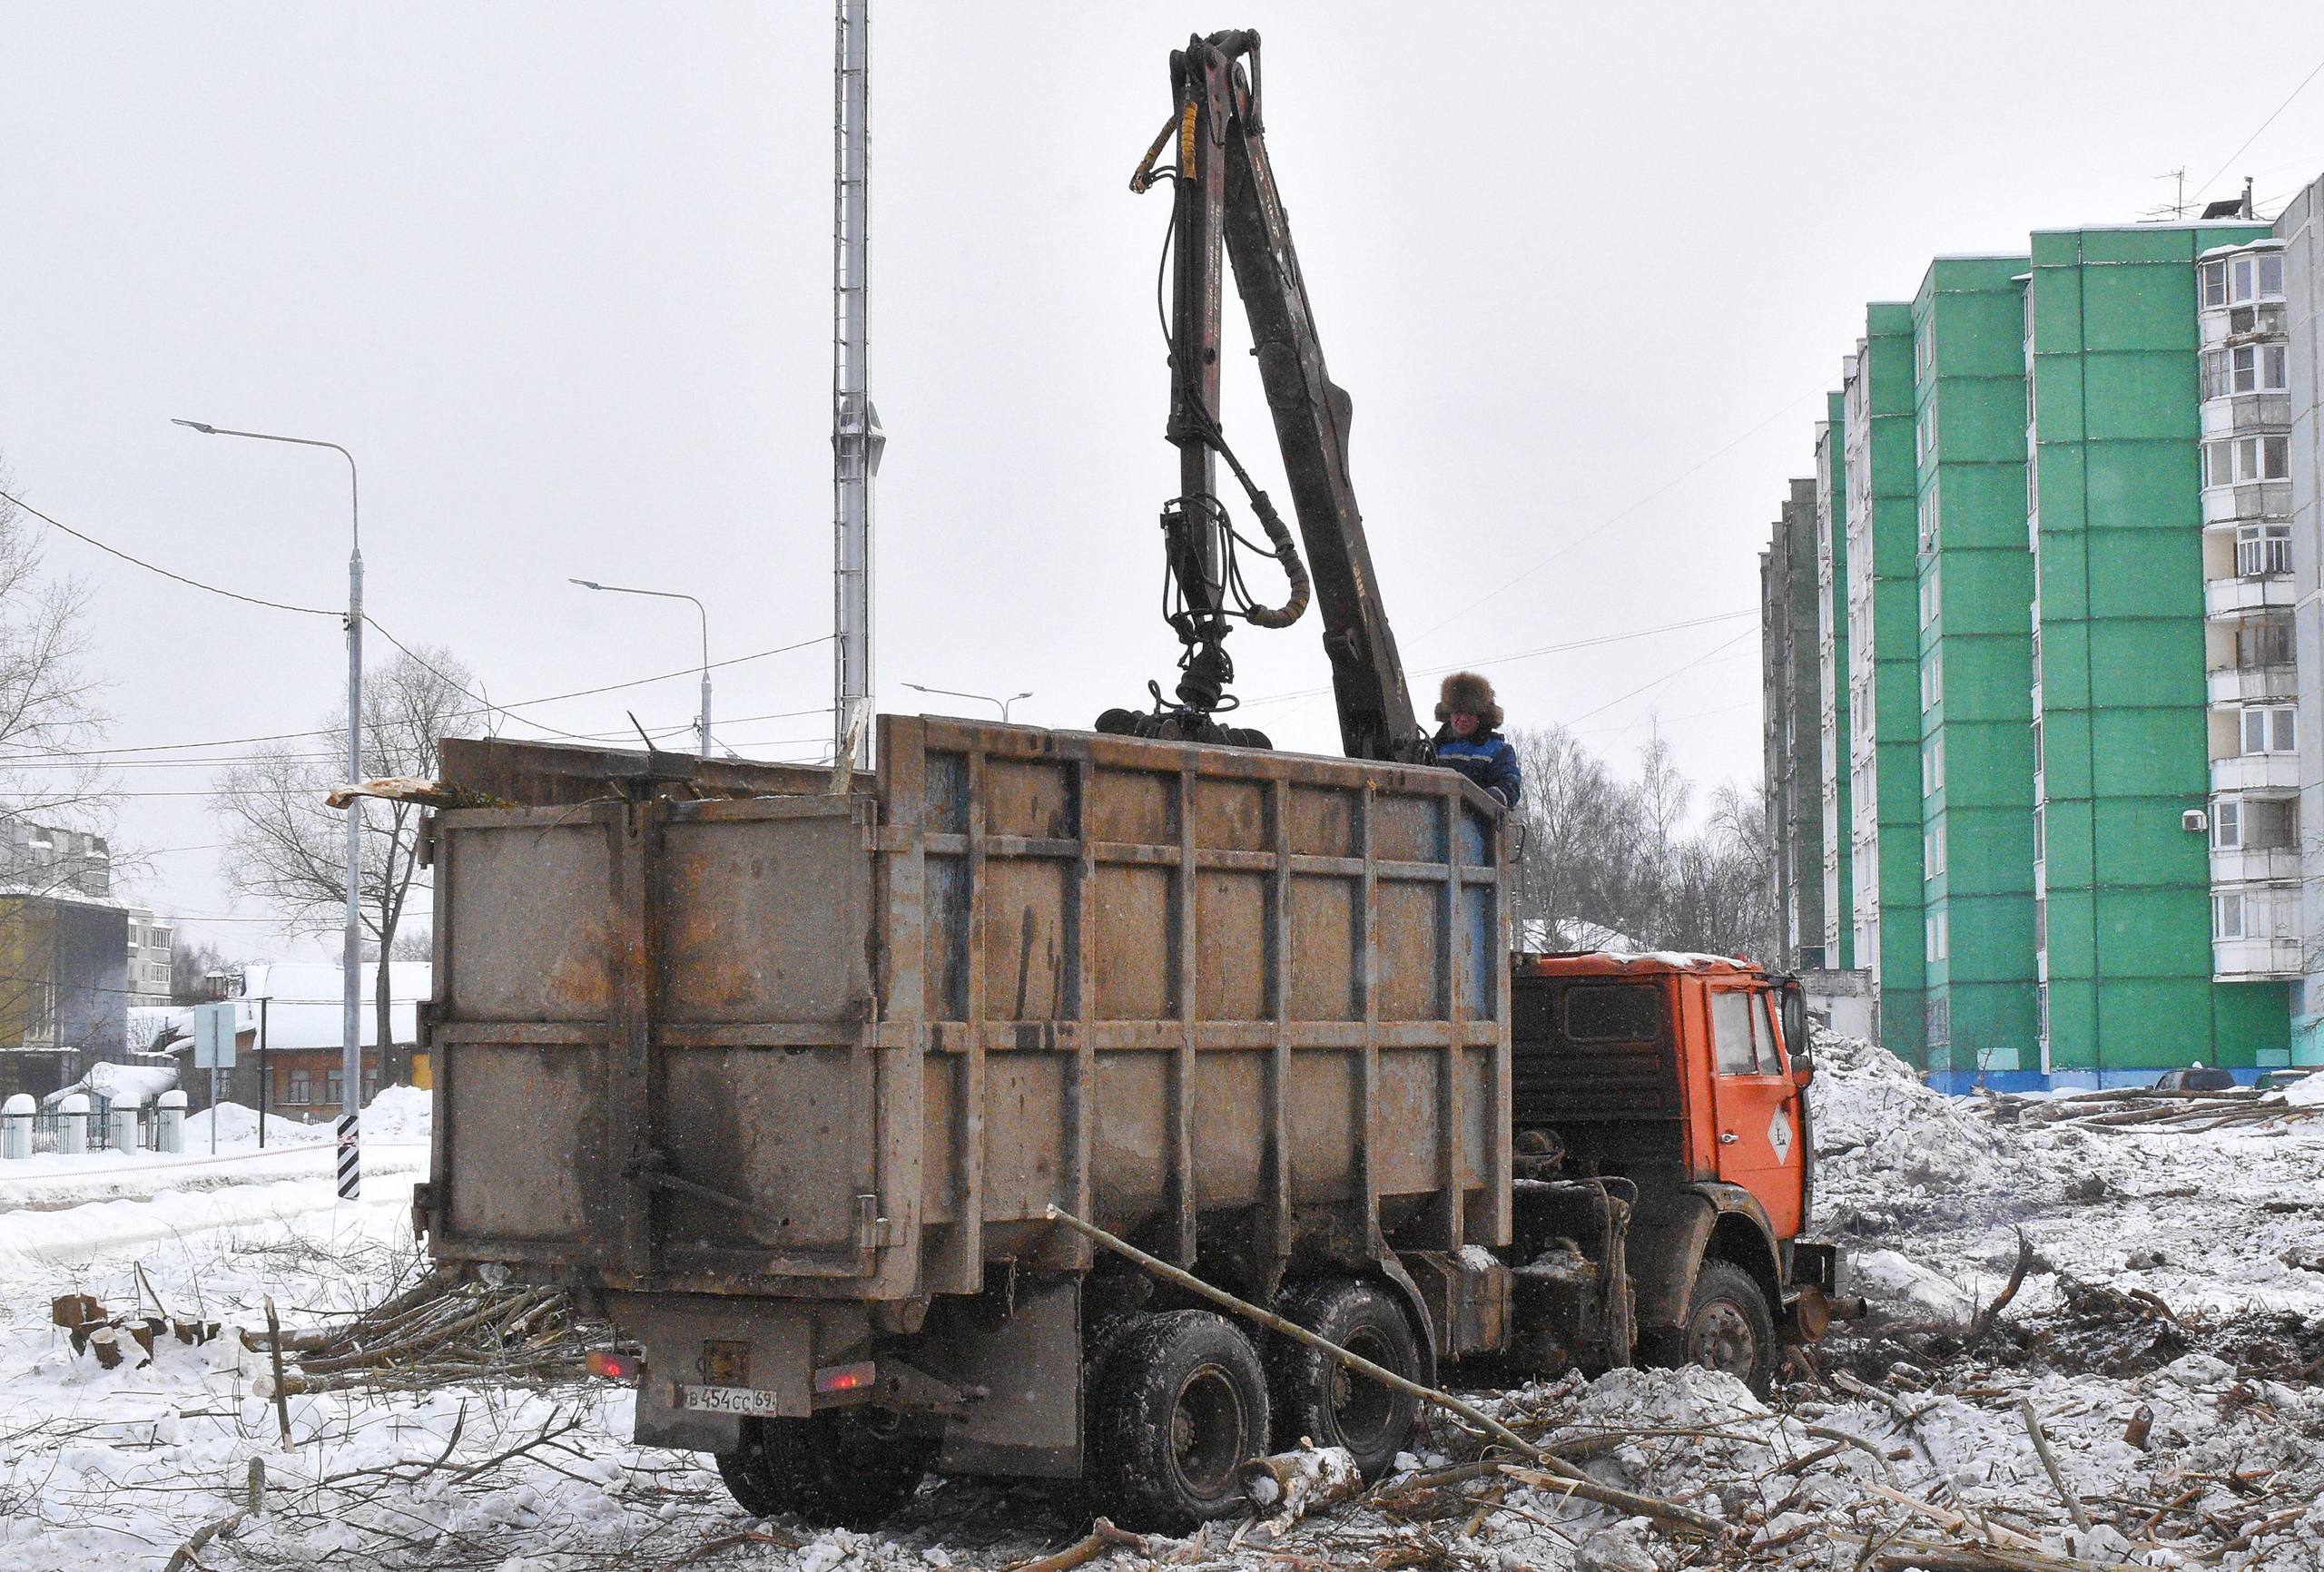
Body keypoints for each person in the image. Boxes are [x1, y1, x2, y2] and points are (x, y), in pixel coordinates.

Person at [1431, 671, 1521, 808]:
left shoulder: (1498, 751)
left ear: (1482, 716)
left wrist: (1487, 800)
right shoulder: (1431, 748)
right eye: (1458, 712)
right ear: (1448, 714)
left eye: (1471, 713)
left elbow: (1509, 785)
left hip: (1477, 826)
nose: (1463, 719)